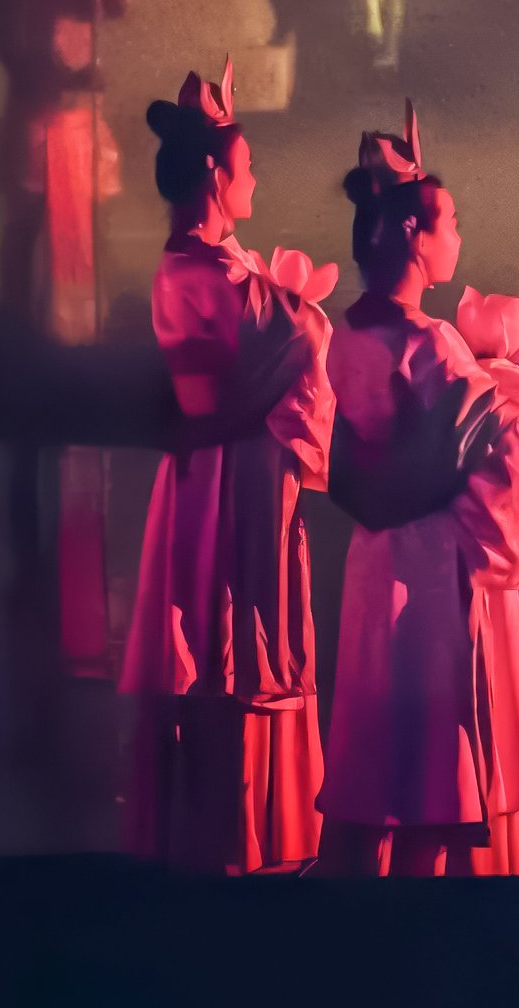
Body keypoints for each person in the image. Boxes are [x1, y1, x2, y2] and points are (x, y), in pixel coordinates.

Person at [119, 67, 335, 873]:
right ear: (214, 174)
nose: (256, 179)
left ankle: (246, 838)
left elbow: (272, 310)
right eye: (246, 166)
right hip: (226, 480)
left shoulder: (203, 264)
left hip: (212, 471)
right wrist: (305, 311)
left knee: (225, 645)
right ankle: (235, 849)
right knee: (226, 649)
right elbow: (302, 333)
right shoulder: (202, 275)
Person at [319, 112, 519, 876]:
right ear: (415, 233)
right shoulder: (431, 343)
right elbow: (495, 445)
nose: (458, 235)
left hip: (371, 559)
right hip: (427, 567)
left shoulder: (341, 333)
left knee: (371, 760)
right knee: (428, 775)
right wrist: (515, 385)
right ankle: (421, 947)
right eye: (450, 221)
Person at [0, 0, 126, 345]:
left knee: (90, 219)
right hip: (40, 117)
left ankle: (85, 319)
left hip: (79, 120)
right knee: (28, 216)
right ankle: (15, 319)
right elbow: (15, 50)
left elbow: (114, 7)